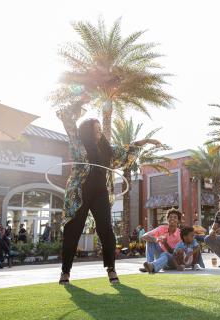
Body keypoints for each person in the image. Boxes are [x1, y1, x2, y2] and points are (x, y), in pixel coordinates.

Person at [56, 95, 151, 285]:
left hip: (101, 194)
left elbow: (123, 153)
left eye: (100, 130)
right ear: (87, 131)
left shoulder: (106, 149)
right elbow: (66, 116)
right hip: (79, 193)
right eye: (96, 130)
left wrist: (142, 142)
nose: (99, 133)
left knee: (106, 230)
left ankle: (111, 269)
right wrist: (80, 101)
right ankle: (65, 272)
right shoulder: (77, 142)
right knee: (72, 231)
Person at [139, 209, 182, 273]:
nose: (172, 219)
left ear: (178, 221)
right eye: (170, 217)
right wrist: (155, 239)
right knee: (150, 240)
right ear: (167, 219)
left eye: (175, 217)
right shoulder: (161, 228)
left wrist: (165, 244)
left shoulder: (180, 234)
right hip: (160, 257)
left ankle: (152, 266)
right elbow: (144, 236)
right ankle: (149, 265)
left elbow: (175, 254)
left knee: (165, 254)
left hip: (172, 260)